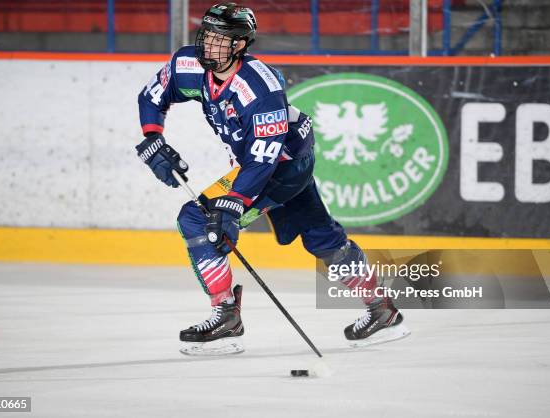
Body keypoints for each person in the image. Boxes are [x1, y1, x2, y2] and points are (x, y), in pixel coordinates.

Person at [136, 2, 409, 355]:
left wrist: (232, 207)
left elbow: (263, 158)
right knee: (319, 235)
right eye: (206, 35)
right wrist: (153, 137)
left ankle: (226, 316)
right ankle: (381, 309)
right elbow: (152, 95)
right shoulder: (188, 64)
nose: (208, 45)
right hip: (271, 159)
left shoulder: (260, 88)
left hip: (283, 162)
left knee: (197, 218)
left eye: (220, 39)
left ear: (240, 45)